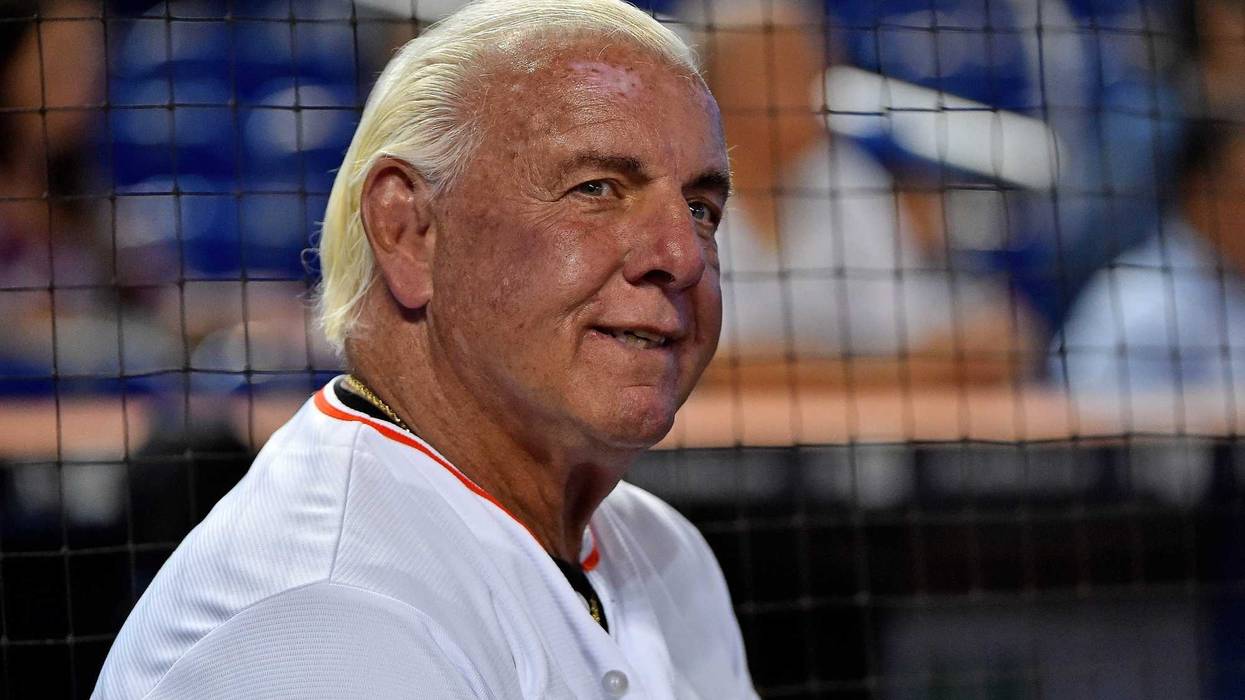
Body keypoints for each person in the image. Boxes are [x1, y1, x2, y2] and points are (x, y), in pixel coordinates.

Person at [93, 0, 756, 697]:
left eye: (699, 209)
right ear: (409, 232)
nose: (682, 256)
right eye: (596, 188)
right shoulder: (323, 614)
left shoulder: (663, 552)